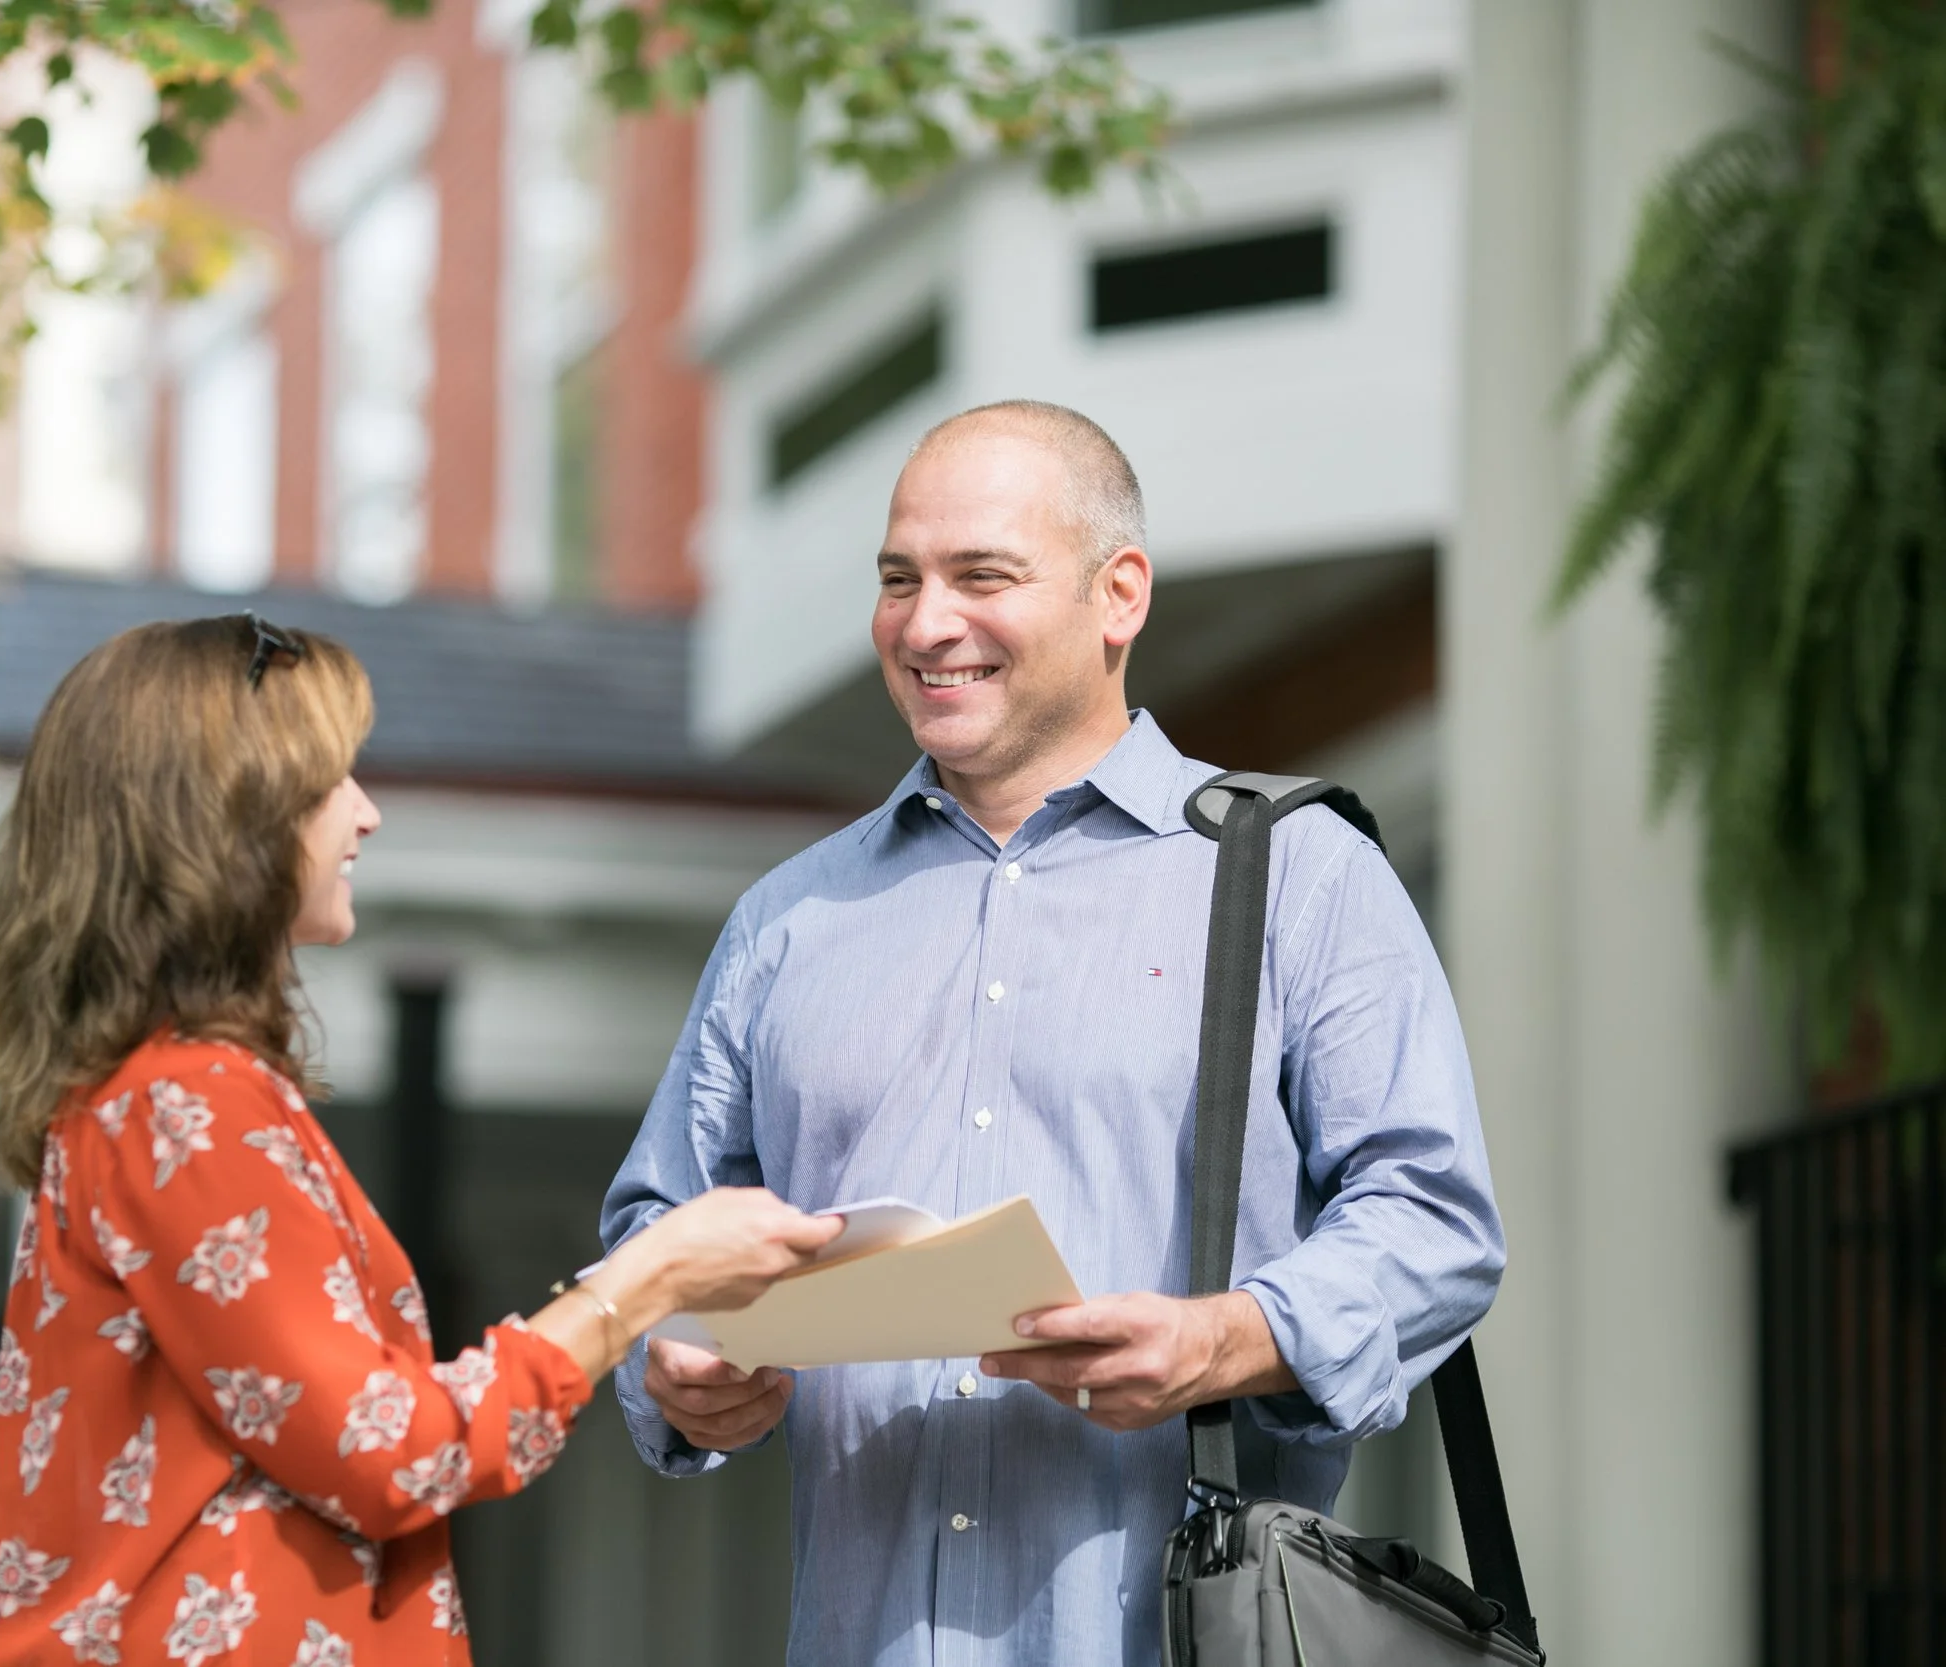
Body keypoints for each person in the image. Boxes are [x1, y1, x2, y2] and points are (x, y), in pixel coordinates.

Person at [601, 401, 1506, 1666]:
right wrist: (670, 1360)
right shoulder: (787, 919)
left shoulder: (1297, 875)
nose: (926, 624)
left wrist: (1221, 1338)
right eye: (898, 579)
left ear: (1116, 593)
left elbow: (1438, 1223)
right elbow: (658, 1227)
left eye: (983, 575)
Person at [0, 615, 839, 1666]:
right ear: (226, 810)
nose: (366, 813)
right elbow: (392, 1449)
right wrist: (646, 1278)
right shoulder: (182, 1105)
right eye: (331, 778)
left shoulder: (156, 1096)